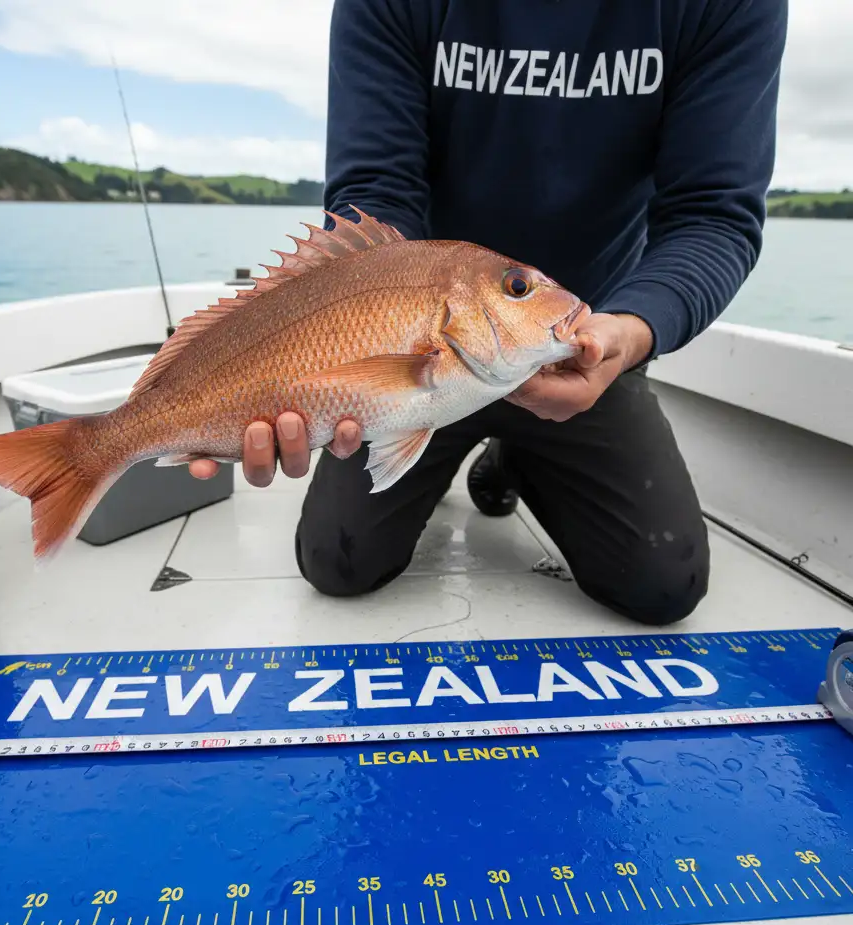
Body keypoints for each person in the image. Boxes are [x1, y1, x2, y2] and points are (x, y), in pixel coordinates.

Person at [190, 0, 788, 626]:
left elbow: (713, 215)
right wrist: (315, 363)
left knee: (663, 584)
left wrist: (627, 332)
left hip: (587, 349)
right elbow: (377, 191)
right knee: (338, 561)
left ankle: (515, 457)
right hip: (414, 352)